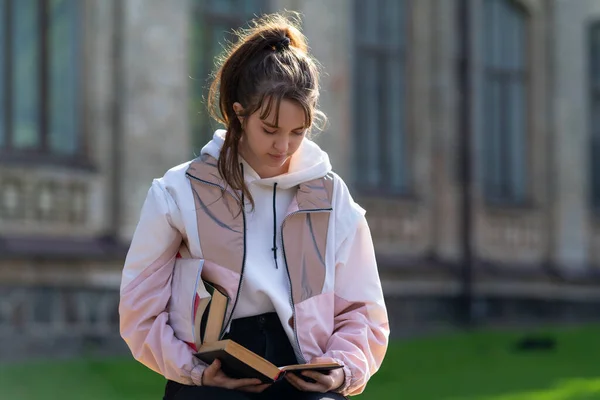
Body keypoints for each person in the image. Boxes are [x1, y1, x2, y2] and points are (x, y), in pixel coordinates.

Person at [119, 12, 389, 400]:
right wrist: (194, 371)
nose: (283, 146)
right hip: (213, 370)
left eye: (298, 132)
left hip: (301, 371)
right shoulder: (180, 191)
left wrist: (340, 370)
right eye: (270, 129)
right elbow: (139, 310)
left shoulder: (331, 198)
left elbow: (363, 311)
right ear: (238, 114)